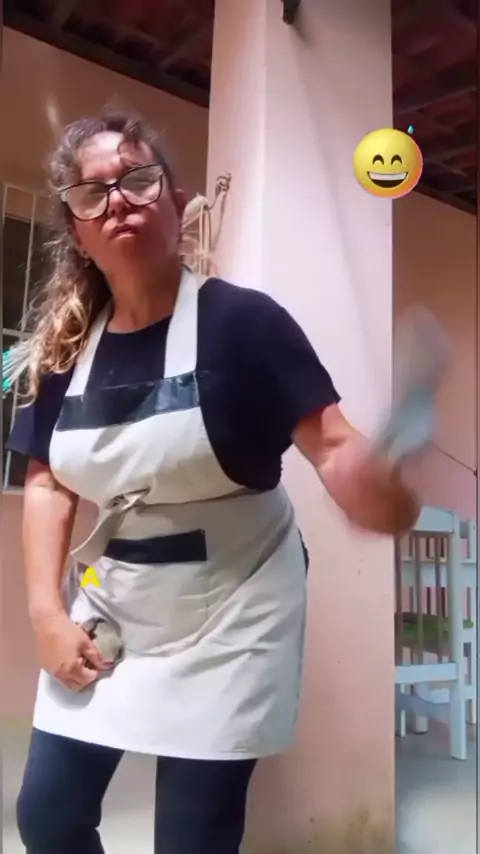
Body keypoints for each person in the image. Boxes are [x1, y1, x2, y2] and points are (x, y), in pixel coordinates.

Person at [7, 109, 420, 854]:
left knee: (192, 839)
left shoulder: (245, 324)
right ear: (77, 231)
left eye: (138, 180)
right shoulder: (63, 350)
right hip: (113, 598)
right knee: (48, 818)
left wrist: (375, 488)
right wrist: (46, 613)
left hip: (237, 609)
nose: (119, 200)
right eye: (93, 193)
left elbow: (333, 446)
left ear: (176, 201)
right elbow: (48, 482)